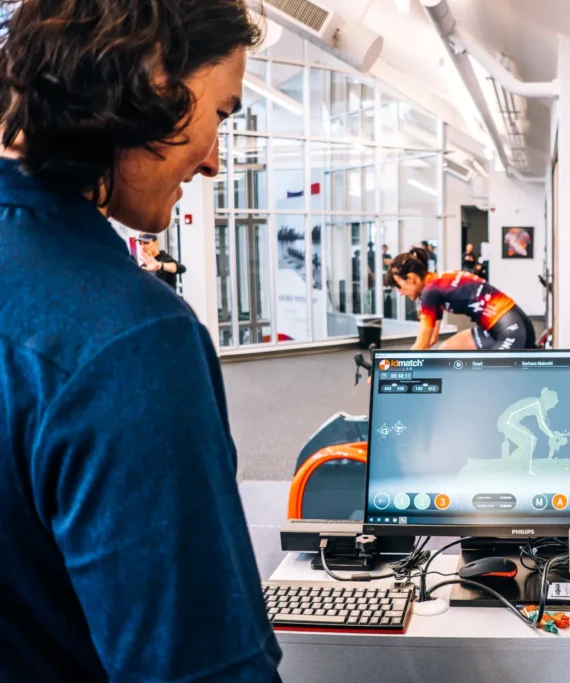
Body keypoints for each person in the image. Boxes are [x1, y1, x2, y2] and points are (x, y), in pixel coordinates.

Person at [0, 1, 281, 681]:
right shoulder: (130, 339)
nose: (214, 161)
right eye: (221, 113)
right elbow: (200, 667)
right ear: (154, 83)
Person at [384, 246, 536, 350]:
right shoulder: (435, 284)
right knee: (446, 349)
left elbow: (421, 345)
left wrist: (388, 369)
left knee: (492, 381)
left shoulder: (430, 292)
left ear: (411, 278)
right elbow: (431, 339)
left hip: (513, 331)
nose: (400, 293)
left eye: (399, 286)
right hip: (502, 328)